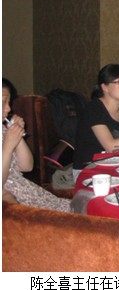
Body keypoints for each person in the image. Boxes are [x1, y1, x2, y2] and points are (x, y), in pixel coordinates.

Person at [2, 78, 71, 212]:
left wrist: (17, 135)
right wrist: (8, 146)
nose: (8, 108)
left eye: (8, 102)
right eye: (3, 101)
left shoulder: (3, 129)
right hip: (16, 200)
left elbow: (27, 166)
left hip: (28, 191)